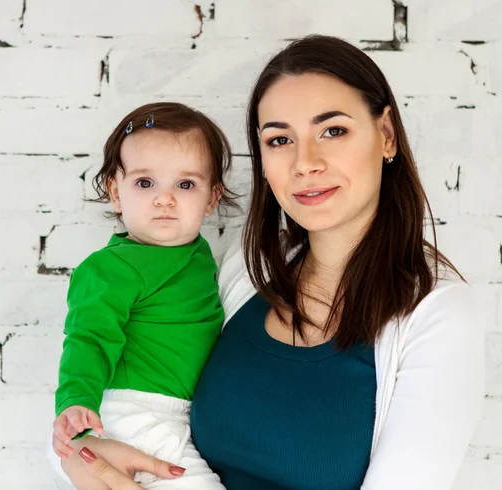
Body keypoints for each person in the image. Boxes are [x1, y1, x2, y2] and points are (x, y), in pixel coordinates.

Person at [51, 35, 485, 490]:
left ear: (387, 135)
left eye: (333, 131)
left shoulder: (440, 316)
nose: (305, 162)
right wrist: (76, 457)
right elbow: (118, 401)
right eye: (279, 139)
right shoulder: (246, 266)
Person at [49, 102, 238, 490]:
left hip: (178, 415)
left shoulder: (199, 254)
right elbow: (88, 338)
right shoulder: (110, 268)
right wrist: (75, 403)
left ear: (211, 198)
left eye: (185, 185)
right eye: (145, 183)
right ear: (116, 193)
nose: (164, 199)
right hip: (134, 414)